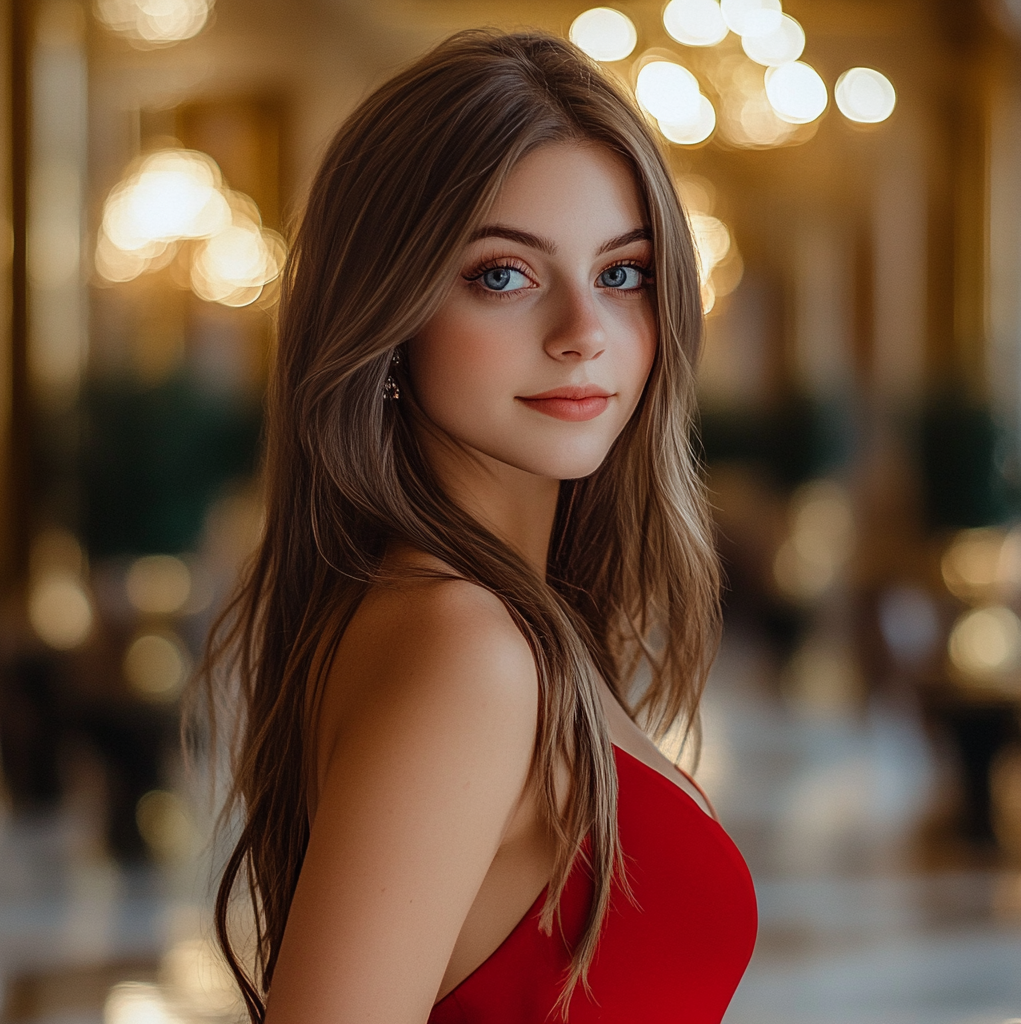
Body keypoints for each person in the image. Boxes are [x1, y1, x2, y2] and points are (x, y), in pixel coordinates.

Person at [202, 28, 757, 1024]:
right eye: (503, 274)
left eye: (622, 273)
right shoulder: (467, 645)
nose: (582, 331)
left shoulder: (481, 621)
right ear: (386, 313)